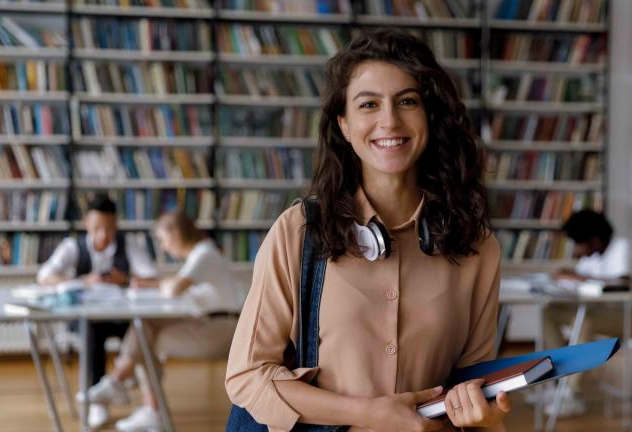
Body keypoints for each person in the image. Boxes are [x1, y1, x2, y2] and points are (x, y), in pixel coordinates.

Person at [225, 29, 510, 432]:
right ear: (343, 123)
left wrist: (484, 417)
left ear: (429, 114)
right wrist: (368, 414)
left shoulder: (477, 247)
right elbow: (247, 376)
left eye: (407, 101)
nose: (389, 121)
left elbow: (473, 389)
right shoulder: (300, 232)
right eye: (369, 104)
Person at [81, 210, 242, 431]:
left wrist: (159, 285)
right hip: (214, 325)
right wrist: (156, 285)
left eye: (164, 240)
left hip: (223, 332)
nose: (164, 247)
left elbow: (174, 288)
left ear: (175, 234)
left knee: (145, 337)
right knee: (145, 328)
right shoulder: (201, 254)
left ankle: (132, 394)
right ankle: (133, 397)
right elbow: (172, 287)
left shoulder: (204, 254)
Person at [37, 193, 158, 428]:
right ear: (86, 224)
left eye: (109, 229)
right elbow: (44, 277)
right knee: (90, 329)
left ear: (116, 225)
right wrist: (84, 281)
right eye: (97, 228)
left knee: (145, 331)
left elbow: (150, 277)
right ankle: (97, 400)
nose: (103, 235)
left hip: (120, 315)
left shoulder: (128, 245)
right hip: (86, 318)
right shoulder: (72, 246)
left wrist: (125, 279)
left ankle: (147, 404)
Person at [542, 209, 632, 417]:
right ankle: (559, 379)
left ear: (593, 240)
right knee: (549, 313)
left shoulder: (623, 248)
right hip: (609, 315)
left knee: (585, 321)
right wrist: (567, 276)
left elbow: (621, 284)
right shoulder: (593, 258)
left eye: (579, 243)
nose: (577, 250)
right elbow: (584, 278)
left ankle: (571, 392)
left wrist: (577, 278)